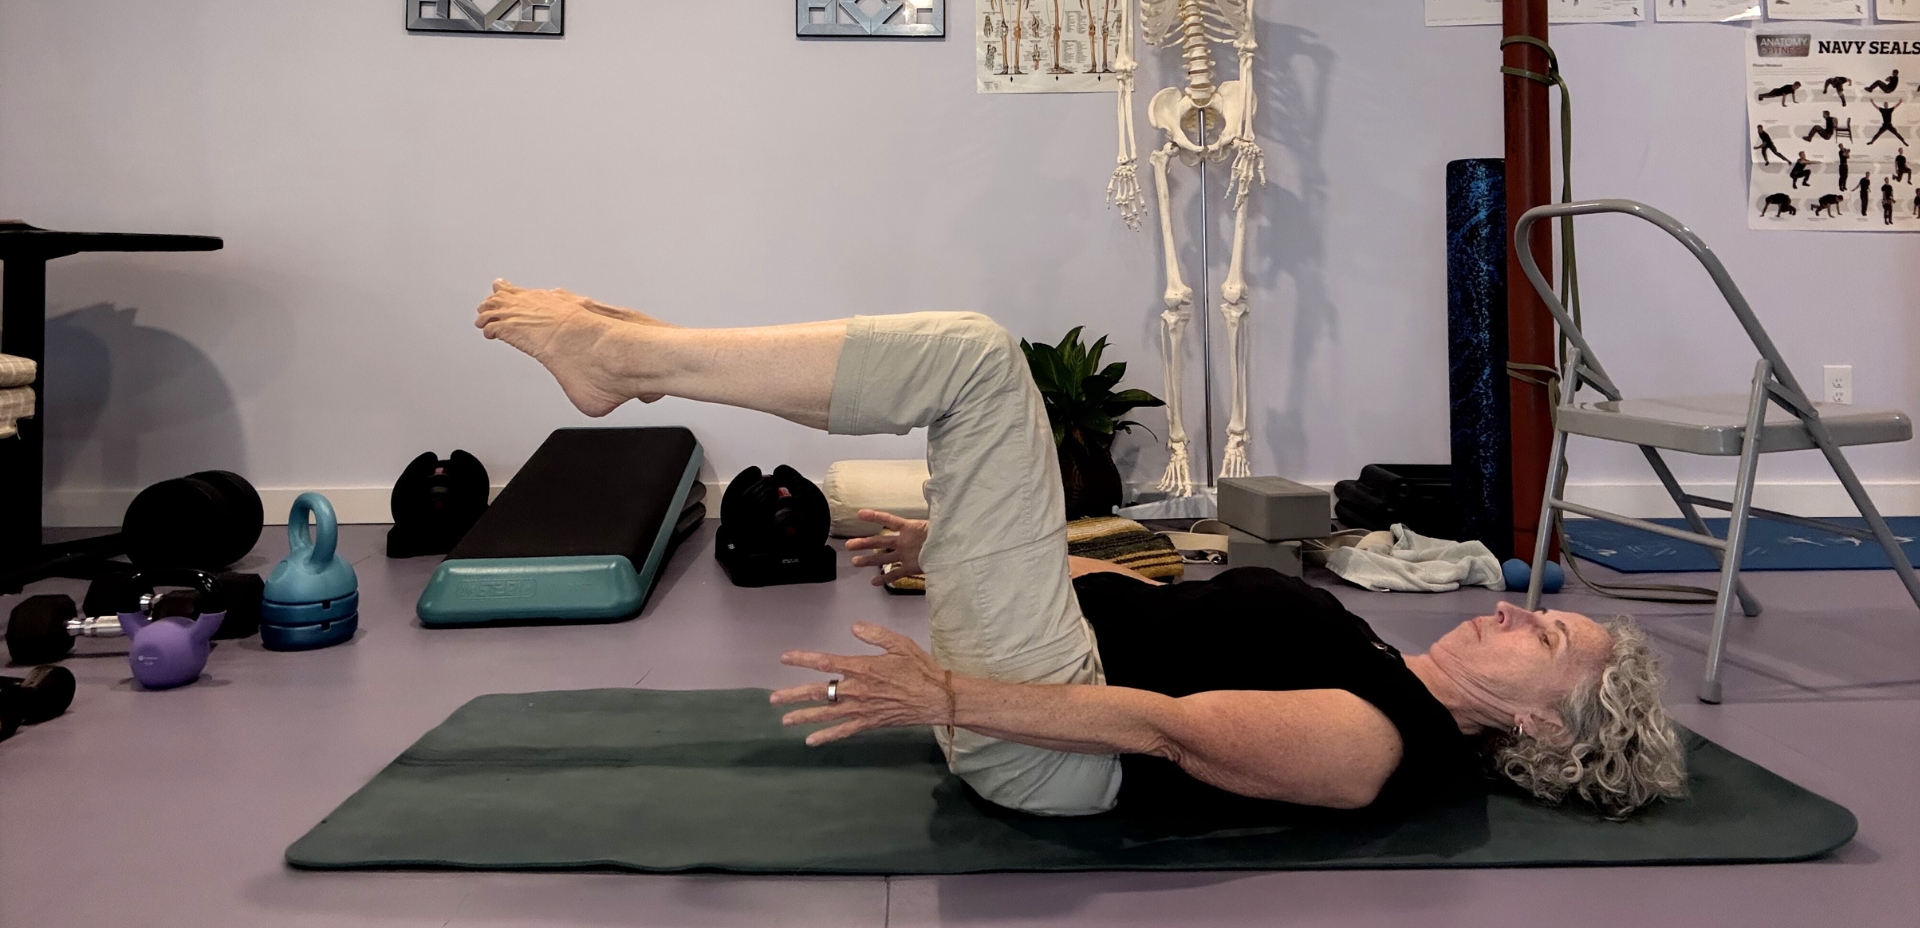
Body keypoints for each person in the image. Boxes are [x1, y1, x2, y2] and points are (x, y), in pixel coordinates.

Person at [474, 285, 1688, 821]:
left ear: (1539, 731)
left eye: (1551, 640)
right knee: (971, 374)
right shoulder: (1384, 659)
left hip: (1051, 740)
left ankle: (635, 360)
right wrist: (961, 550)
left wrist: (943, 695)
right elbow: (1162, 618)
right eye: (1550, 613)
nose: (1528, 614)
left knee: (971, 360)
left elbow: (1160, 727)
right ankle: (641, 352)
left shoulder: (1381, 743)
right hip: (1053, 666)